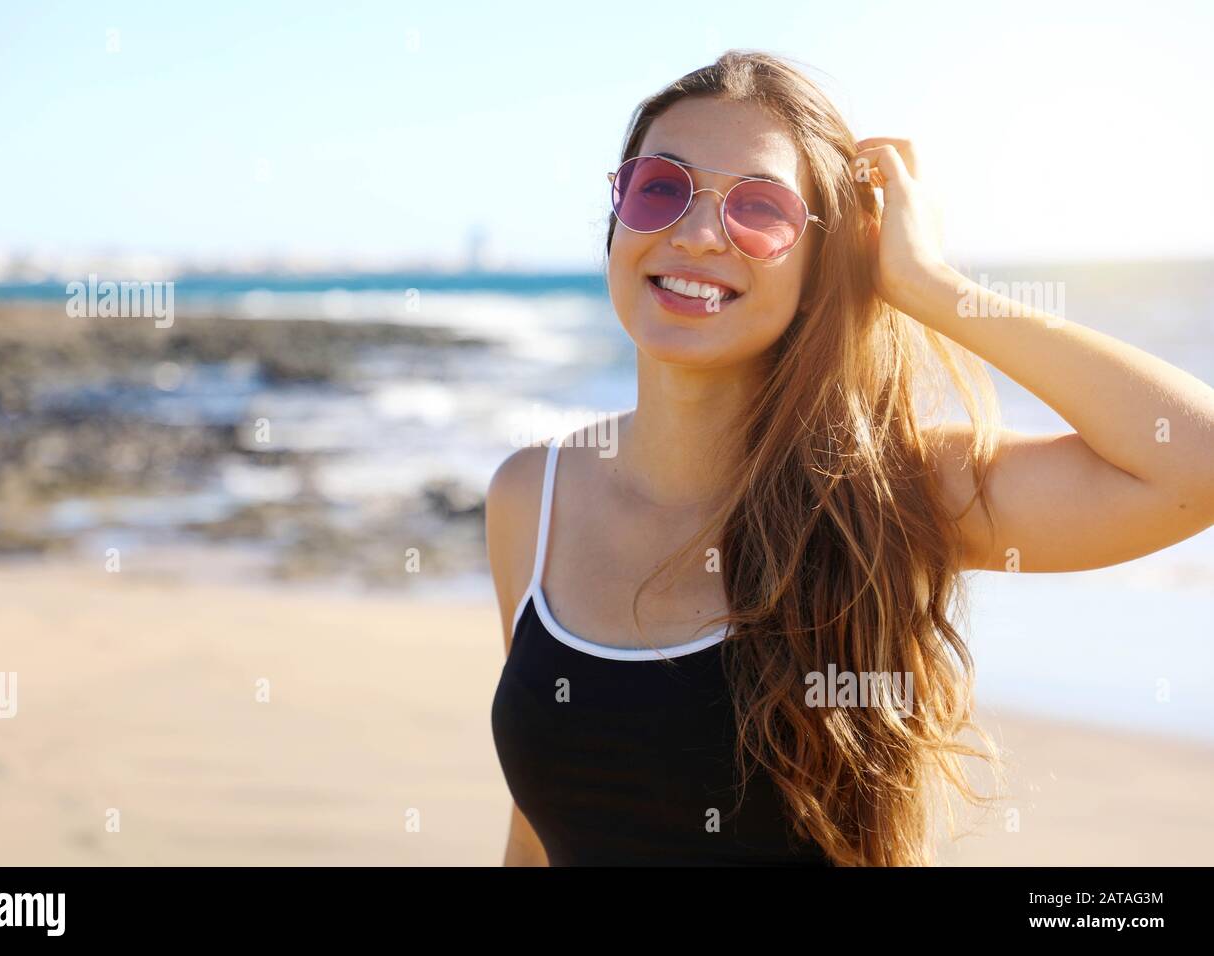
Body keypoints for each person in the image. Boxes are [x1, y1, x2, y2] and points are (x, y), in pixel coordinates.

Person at [486, 50, 1214, 866]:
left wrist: (931, 285)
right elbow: (534, 831)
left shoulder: (885, 490)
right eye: (661, 187)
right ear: (619, 217)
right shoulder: (533, 497)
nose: (694, 233)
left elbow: (1195, 462)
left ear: (820, 267)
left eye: (760, 210)